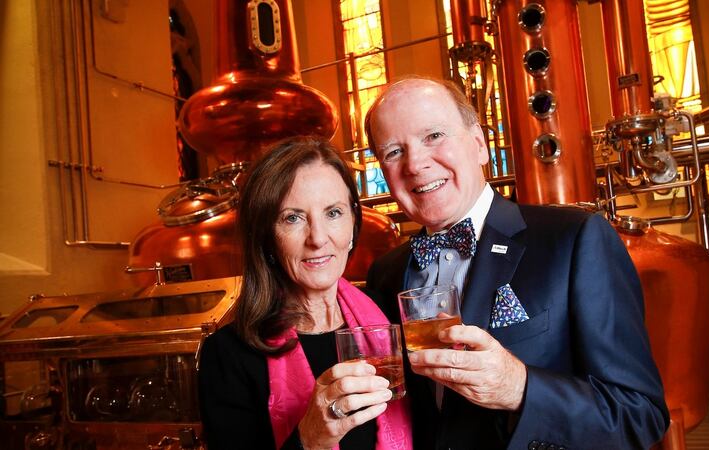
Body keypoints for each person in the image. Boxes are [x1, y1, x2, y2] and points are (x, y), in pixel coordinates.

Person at [364, 77, 670, 450]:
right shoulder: (386, 272)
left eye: (433, 136)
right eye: (394, 151)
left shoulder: (574, 239)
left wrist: (520, 388)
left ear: (479, 145)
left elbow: (639, 414)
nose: (416, 164)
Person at [198, 136, 413, 449]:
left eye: (333, 212)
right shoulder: (229, 354)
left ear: (353, 221)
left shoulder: (386, 315)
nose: (318, 238)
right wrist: (309, 439)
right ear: (267, 237)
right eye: (293, 217)